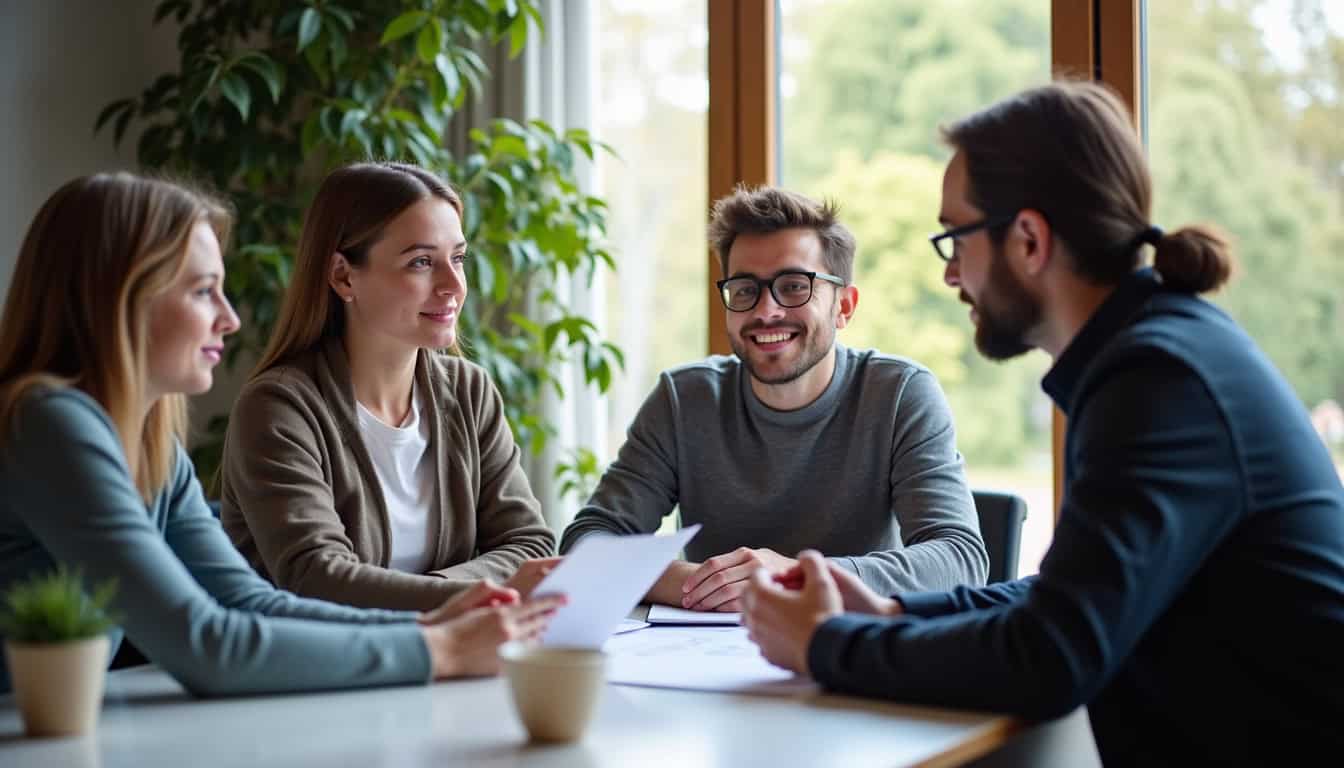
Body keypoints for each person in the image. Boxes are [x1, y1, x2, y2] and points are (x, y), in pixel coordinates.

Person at [741, 81, 1344, 763]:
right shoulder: (1161, 354)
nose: (951, 276)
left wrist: (826, 644)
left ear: (1028, 239)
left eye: (955, 239)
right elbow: (1063, 595)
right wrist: (895, 614)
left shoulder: (1159, 381)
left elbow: (1052, 655)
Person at [0, 172, 562, 695]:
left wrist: (432, 623)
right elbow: (207, 642)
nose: (229, 317)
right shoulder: (49, 424)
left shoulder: (148, 441)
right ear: (119, 302)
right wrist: (437, 648)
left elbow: (249, 602)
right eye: (201, 291)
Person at [560, 186, 988, 612]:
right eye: (745, 289)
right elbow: (588, 540)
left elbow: (960, 560)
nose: (766, 311)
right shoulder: (683, 399)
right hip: (701, 662)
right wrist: (694, 582)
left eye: (794, 286)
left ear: (844, 305)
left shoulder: (899, 394)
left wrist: (795, 579)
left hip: (851, 655)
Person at [219, 162, 557, 613]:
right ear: (343, 276)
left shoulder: (469, 392)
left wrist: (436, 593)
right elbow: (316, 577)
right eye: (421, 262)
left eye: (458, 258)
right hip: (319, 675)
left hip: (443, 662)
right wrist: (468, 595)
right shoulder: (278, 408)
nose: (454, 286)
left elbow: (530, 544)